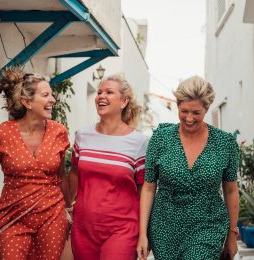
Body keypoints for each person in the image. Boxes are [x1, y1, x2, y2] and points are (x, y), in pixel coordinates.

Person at [137, 76, 239, 260]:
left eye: (196, 113)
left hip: (207, 224)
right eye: (184, 111)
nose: (189, 118)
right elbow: (149, 187)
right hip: (165, 226)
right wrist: (142, 233)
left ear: (206, 109)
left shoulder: (225, 143)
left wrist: (232, 234)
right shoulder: (160, 139)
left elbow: (231, 190)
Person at [0, 67, 71, 259]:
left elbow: (60, 177)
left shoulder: (58, 131)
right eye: (45, 95)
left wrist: (68, 210)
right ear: (27, 102)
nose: (52, 100)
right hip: (12, 216)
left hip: (52, 216)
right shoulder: (1, 134)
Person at [70, 75, 148, 260]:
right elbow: (73, 174)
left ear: (123, 101)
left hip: (122, 230)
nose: (101, 96)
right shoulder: (83, 135)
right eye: (99, 92)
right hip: (84, 228)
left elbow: (144, 189)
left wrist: (144, 233)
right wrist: (65, 208)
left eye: (109, 92)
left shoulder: (139, 142)